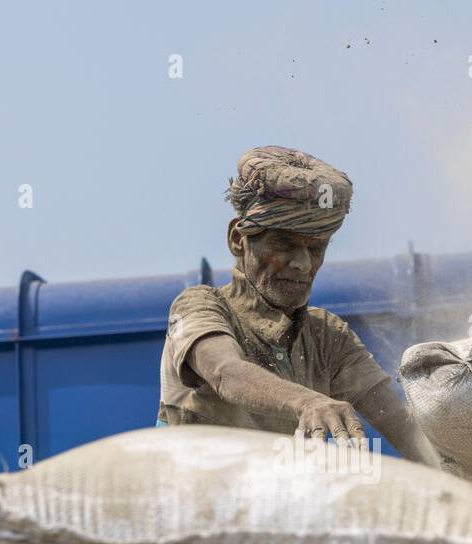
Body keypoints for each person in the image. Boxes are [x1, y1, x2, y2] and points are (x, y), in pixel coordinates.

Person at [157, 145, 439, 464]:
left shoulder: (328, 336)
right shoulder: (200, 306)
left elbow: (402, 427)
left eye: (316, 248)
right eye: (285, 244)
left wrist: (455, 471)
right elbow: (226, 372)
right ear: (238, 239)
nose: (303, 264)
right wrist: (307, 402)